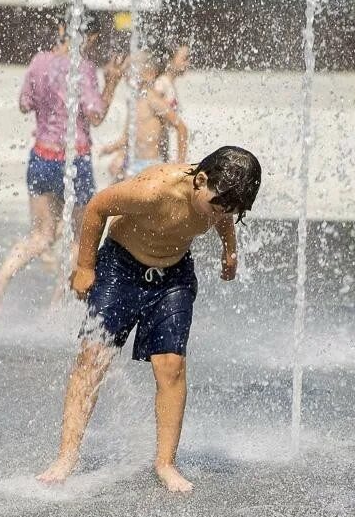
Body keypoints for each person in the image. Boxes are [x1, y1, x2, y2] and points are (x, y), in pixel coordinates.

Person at [37, 146, 262, 492]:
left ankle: (165, 463)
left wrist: (229, 249)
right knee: (93, 358)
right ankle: (67, 457)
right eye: (218, 208)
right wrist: (84, 266)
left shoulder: (216, 198)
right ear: (200, 181)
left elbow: (223, 213)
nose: (220, 216)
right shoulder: (154, 190)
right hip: (120, 267)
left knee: (172, 366)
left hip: (173, 276)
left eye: (229, 212)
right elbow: (98, 206)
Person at [0, 16, 126, 317]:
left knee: (41, 235)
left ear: (62, 31)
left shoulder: (38, 61)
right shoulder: (83, 67)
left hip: (41, 157)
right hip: (75, 160)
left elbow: (24, 104)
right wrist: (112, 82)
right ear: (91, 38)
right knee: (79, 237)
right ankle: (56, 306)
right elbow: (96, 114)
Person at [102, 43, 190, 181]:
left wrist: (180, 164)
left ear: (149, 74)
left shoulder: (153, 98)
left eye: (132, 71)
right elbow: (130, 135)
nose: (127, 74)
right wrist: (113, 149)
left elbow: (181, 127)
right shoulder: (134, 100)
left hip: (149, 165)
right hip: (133, 163)